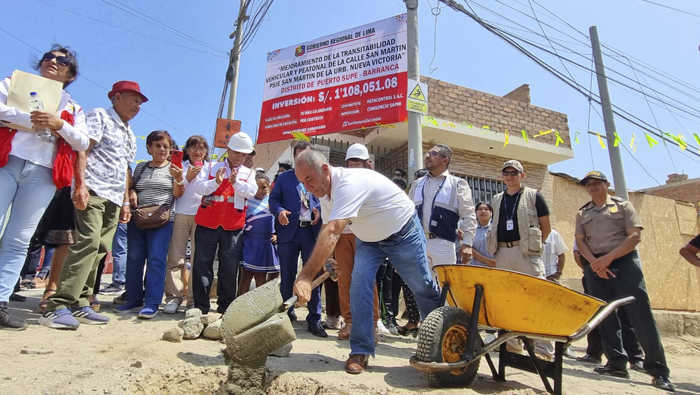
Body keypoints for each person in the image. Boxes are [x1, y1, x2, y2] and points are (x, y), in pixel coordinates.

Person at [292, 149, 442, 374]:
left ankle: (443, 339)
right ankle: (360, 350)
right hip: (368, 239)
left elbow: (334, 229)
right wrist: (328, 259)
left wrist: (305, 276)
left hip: (403, 233)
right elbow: (326, 226)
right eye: (303, 182)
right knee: (359, 286)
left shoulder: (349, 183)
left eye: (309, 179)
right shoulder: (324, 192)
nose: (307, 187)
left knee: (421, 287)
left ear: (325, 169)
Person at [38, 80, 143, 329]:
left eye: (140, 102)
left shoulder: (129, 132)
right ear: (117, 97)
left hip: (115, 198)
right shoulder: (100, 116)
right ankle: (58, 304)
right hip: (94, 190)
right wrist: (80, 185)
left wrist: (126, 201)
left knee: (100, 248)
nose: (138, 105)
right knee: (86, 243)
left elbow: (125, 168)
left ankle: (82, 302)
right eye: (134, 99)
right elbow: (83, 149)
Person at [0, 45, 90, 331]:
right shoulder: (13, 85)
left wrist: (58, 123)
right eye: (48, 58)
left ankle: (1, 302)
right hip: (7, 161)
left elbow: (83, 142)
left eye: (62, 60)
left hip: (43, 172)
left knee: (18, 239)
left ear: (71, 74)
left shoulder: (73, 107)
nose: (53, 62)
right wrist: (33, 121)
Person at [575, 171, 674, 391]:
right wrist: (594, 263)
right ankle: (616, 363)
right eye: (589, 185)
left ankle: (658, 371)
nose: (592, 187)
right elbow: (580, 240)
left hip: (624, 263)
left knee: (641, 316)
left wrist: (608, 259)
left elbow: (634, 236)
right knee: (605, 316)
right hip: (596, 266)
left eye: (597, 183)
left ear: (606, 184)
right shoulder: (583, 212)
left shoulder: (623, 206)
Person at [486, 159, 553, 360]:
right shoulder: (497, 199)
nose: (509, 176)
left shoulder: (534, 195)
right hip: (503, 253)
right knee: (507, 299)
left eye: (514, 173)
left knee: (536, 298)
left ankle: (543, 349)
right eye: (506, 173)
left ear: (521, 175)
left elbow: (545, 228)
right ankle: (512, 343)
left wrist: (533, 247)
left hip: (526, 253)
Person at [113, 130, 183, 319]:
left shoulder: (173, 169)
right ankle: (133, 298)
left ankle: (152, 302)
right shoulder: (141, 167)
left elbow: (178, 194)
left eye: (166, 146)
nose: (162, 149)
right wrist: (133, 191)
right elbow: (132, 186)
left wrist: (178, 178)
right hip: (139, 218)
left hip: (162, 220)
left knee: (156, 260)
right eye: (158, 145)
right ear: (149, 147)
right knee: (134, 259)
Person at [188, 132, 257, 314]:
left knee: (229, 268)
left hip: (233, 226)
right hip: (207, 223)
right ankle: (200, 307)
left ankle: (225, 308)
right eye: (236, 153)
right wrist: (214, 182)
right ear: (228, 150)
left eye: (244, 154)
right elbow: (197, 187)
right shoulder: (211, 167)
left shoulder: (249, 173)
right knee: (202, 265)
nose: (240, 157)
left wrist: (236, 184)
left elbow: (251, 192)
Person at [269, 141, 325, 337]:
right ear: (294, 157)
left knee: (314, 275)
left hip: (310, 232)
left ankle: (314, 318)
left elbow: (324, 198)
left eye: (306, 156)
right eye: (299, 155)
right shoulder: (284, 178)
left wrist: (319, 210)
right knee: (288, 276)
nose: (303, 160)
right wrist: (279, 211)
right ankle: (287, 314)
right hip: (288, 232)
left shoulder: (318, 177)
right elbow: (273, 200)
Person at [573, 240, 645, 368]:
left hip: (621, 273)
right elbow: (578, 252)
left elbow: (631, 244)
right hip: (595, 274)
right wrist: (594, 269)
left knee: (626, 316)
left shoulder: (620, 229)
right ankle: (597, 354)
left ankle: (635, 357)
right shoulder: (586, 230)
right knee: (598, 316)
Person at [335, 143, 380, 340]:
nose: (354, 166)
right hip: (343, 234)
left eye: (358, 162)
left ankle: (372, 322)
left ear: (367, 163)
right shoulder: (341, 181)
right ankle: (349, 321)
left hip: (365, 234)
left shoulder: (376, 181)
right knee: (344, 279)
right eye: (351, 162)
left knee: (366, 278)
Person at [409, 143, 476, 271]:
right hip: (418, 243)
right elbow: (407, 215)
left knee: (445, 286)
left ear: (445, 160)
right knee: (421, 289)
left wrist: (467, 243)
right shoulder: (417, 184)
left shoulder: (457, 184)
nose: (428, 156)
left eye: (433, 154)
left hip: (443, 244)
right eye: (427, 154)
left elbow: (468, 214)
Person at [163, 135, 209, 314]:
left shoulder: (210, 168)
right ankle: (173, 298)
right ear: (187, 150)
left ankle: (193, 300)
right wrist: (187, 177)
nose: (198, 152)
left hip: (203, 216)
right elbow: (175, 193)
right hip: (181, 214)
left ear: (206, 151)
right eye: (194, 148)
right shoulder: (177, 166)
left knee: (197, 259)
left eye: (202, 148)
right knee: (176, 258)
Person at [238, 174, 280, 295]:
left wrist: (276, 235)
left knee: (261, 275)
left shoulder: (272, 202)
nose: (260, 191)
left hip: (265, 243)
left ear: (269, 187)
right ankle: (240, 304)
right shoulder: (246, 201)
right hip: (249, 242)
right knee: (245, 274)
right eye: (256, 187)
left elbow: (279, 220)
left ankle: (258, 307)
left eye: (263, 187)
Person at [471, 202, 496, 267]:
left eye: (486, 209)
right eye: (480, 209)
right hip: (475, 266)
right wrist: (487, 261)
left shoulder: (496, 228)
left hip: (495, 266)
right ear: (476, 213)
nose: (483, 211)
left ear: (491, 213)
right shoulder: (471, 229)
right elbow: (469, 248)